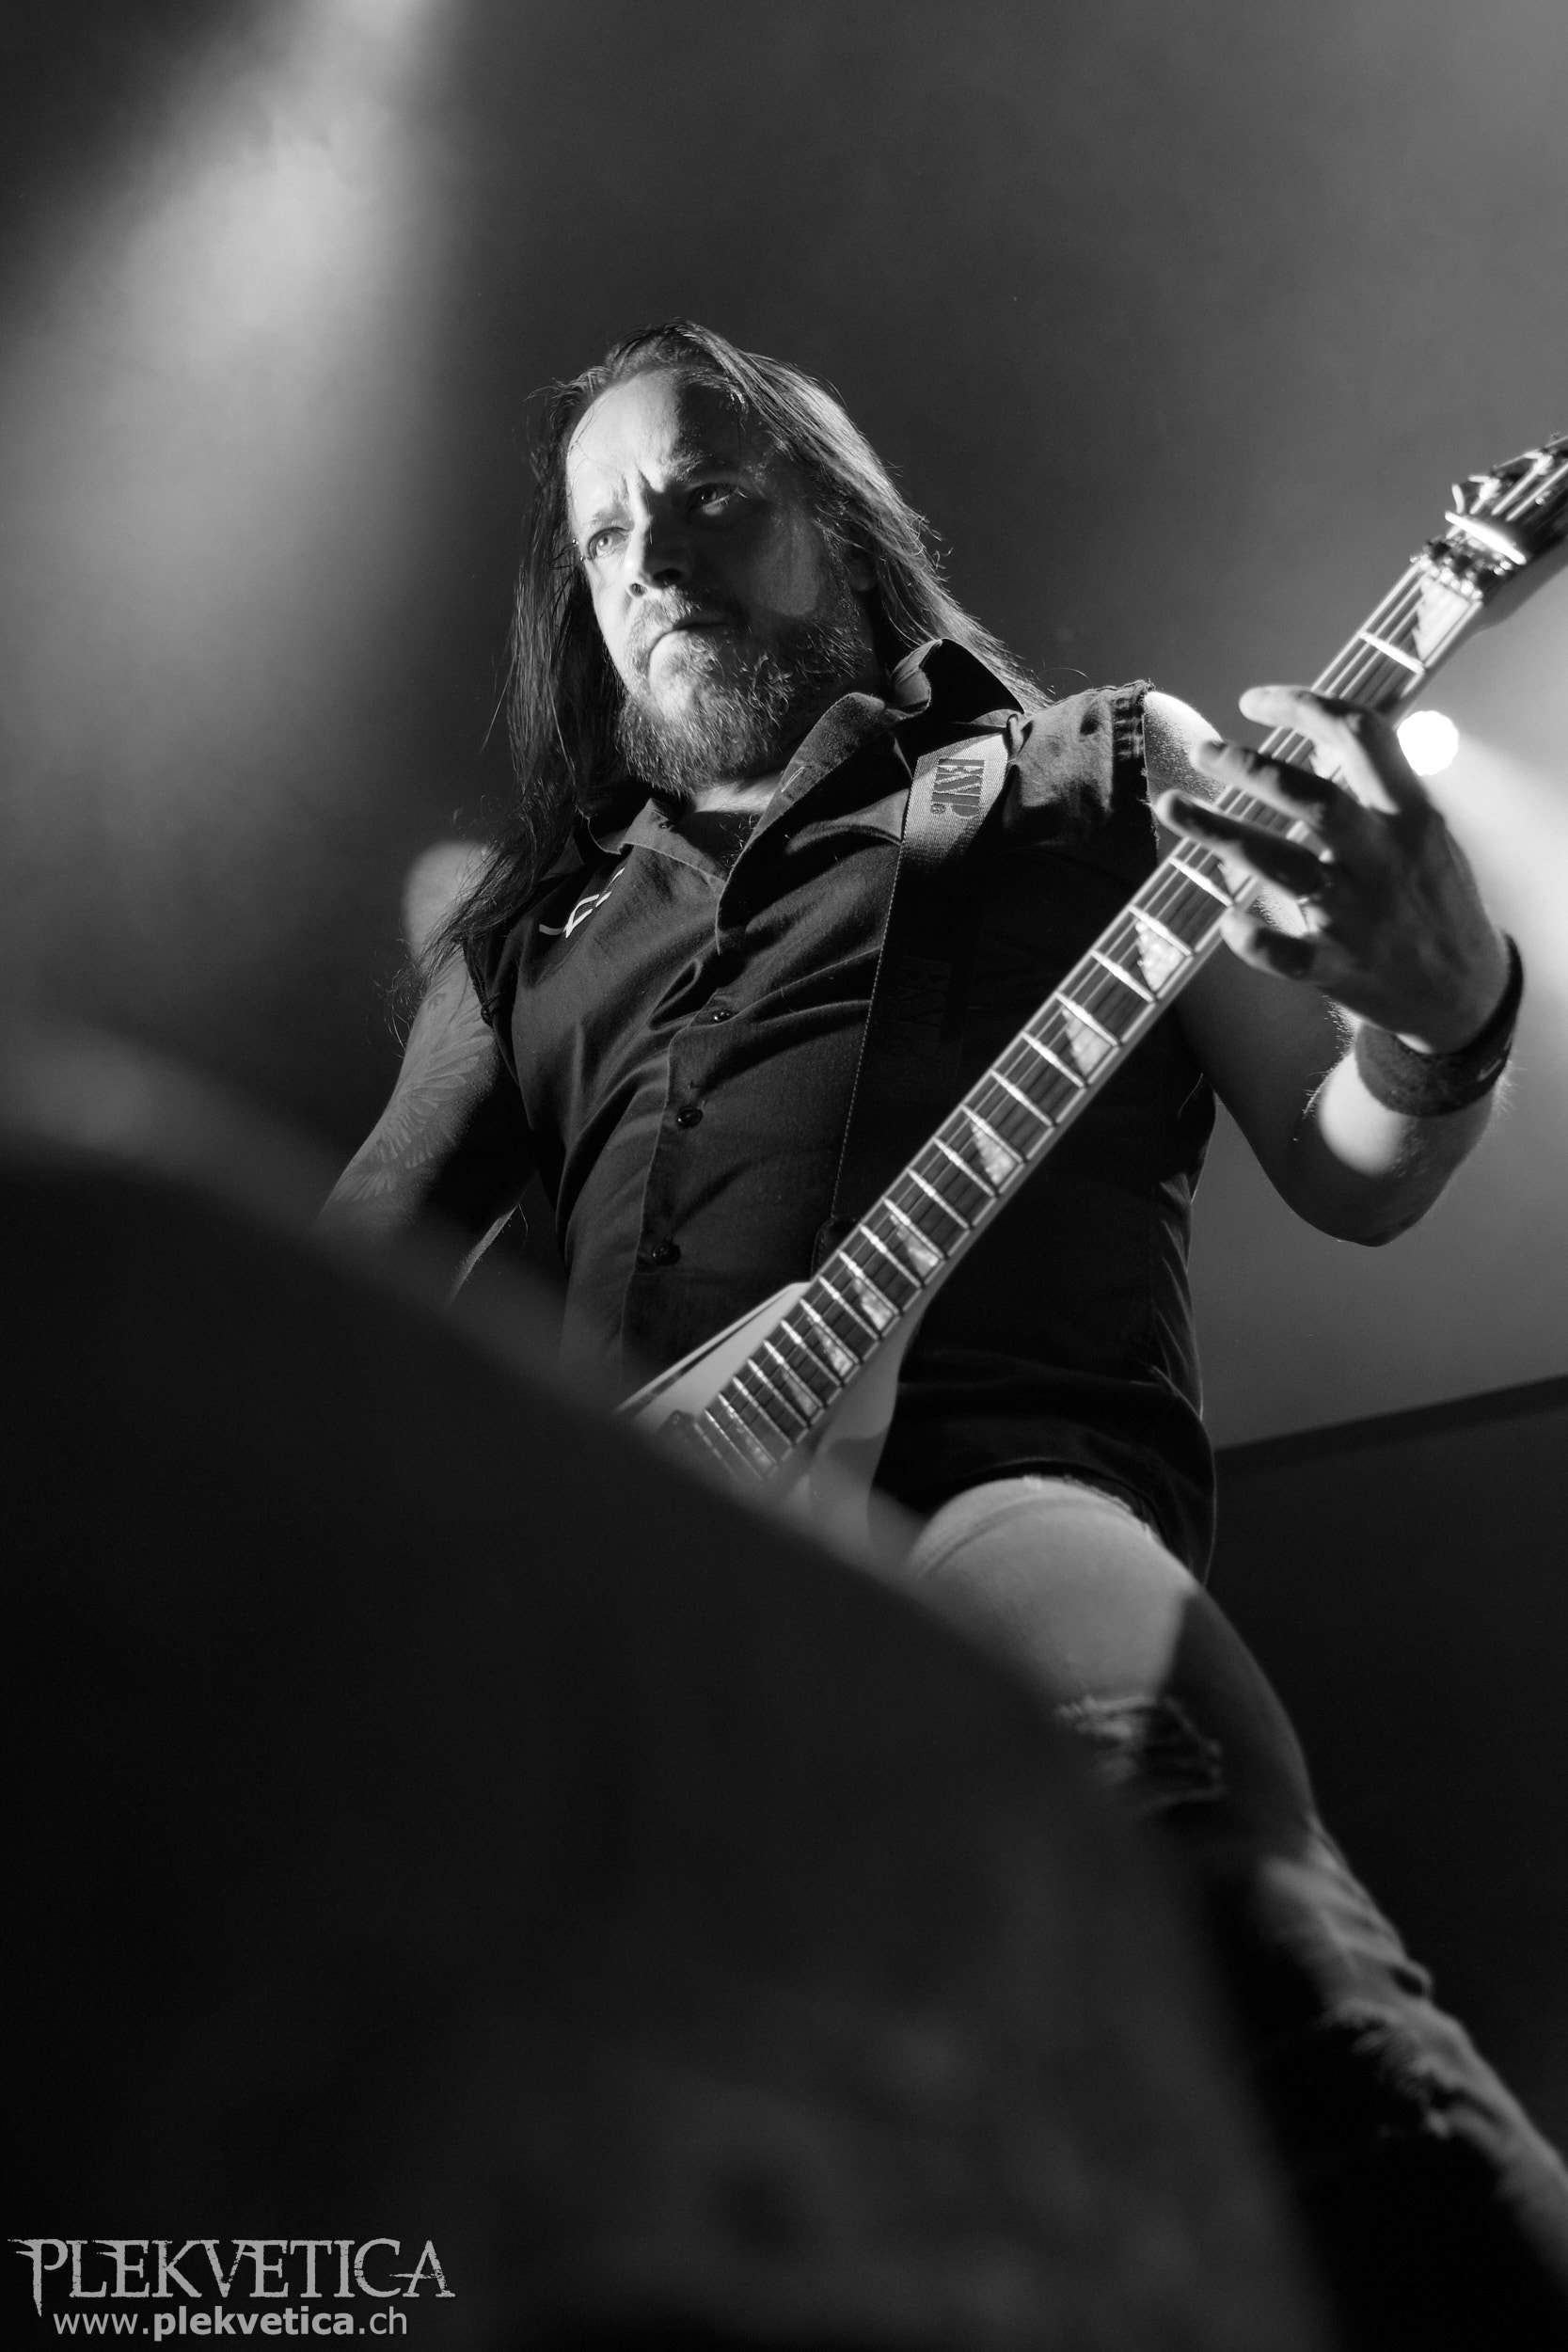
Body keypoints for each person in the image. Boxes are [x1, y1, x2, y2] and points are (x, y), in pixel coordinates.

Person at [324, 322, 1568, 2339]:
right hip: (657, 1635)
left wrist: (1444, 1018)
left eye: (706, 494)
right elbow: (343, 1311)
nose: (653, 558)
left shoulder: (1103, 772)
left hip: (1002, 1508)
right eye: (607, 532)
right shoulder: (533, 939)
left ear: (835, 518)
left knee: (1255, 1994)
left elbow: (1353, 1164)